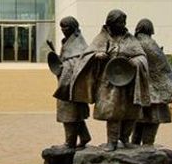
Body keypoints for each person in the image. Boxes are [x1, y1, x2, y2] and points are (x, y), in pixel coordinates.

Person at [58, 9, 151, 151]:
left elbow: (142, 56)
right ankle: (112, 141)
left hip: (129, 82)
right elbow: (86, 55)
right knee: (112, 112)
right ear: (111, 23)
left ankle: (125, 139)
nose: (123, 25)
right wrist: (97, 55)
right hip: (109, 83)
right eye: (120, 22)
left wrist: (136, 61)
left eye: (124, 22)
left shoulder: (130, 39)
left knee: (132, 111)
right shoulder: (101, 38)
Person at [131, 18, 172, 145]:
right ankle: (148, 145)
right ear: (150, 30)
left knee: (139, 119)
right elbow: (161, 65)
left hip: (140, 90)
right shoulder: (148, 43)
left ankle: (134, 144)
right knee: (153, 119)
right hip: (154, 91)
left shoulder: (134, 41)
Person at [47, 16, 92, 149]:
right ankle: (84, 136)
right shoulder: (67, 42)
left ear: (73, 28)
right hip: (67, 83)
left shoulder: (80, 45)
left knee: (69, 114)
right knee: (74, 113)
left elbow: (77, 64)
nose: (62, 30)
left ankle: (70, 143)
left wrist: (63, 66)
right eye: (61, 27)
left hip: (72, 85)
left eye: (65, 27)